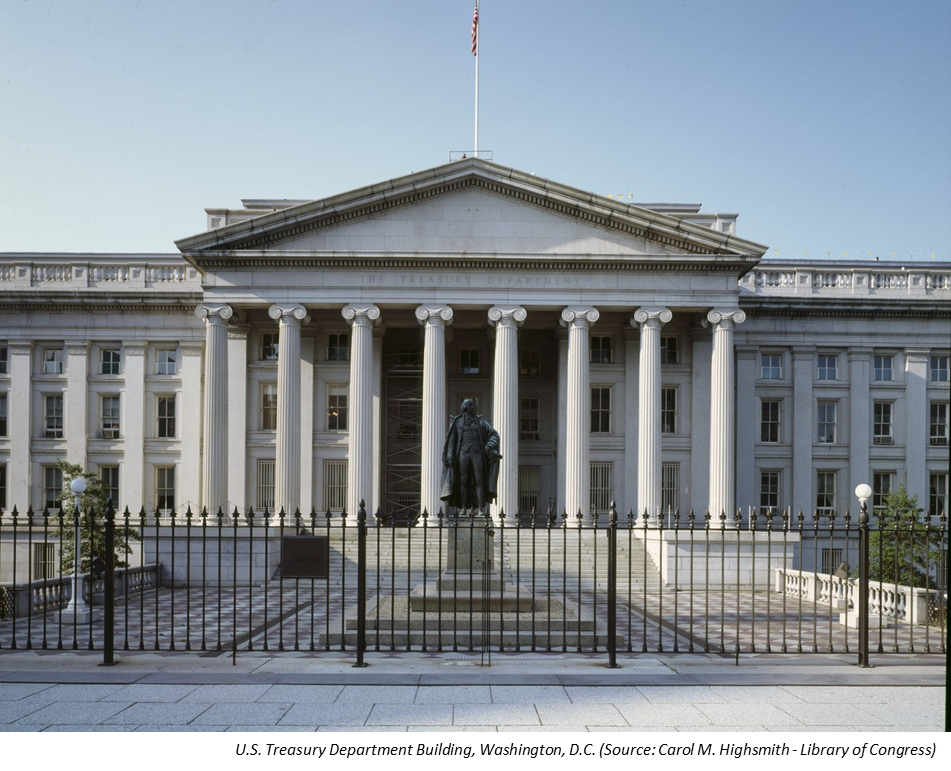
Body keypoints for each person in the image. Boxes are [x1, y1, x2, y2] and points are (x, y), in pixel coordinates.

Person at [440, 399, 501, 515]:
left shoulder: (481, 422)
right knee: (462, 481)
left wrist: (488, 447)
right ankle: (462, 508)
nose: (473, 407)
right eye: (470, 405)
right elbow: (452, 440)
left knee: (480, 481)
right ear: (464, 407)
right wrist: (450, 456)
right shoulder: (457, 422)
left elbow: (494, 434)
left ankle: (480, 509)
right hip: (462, 454)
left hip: (478, 454)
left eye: (473, 405)